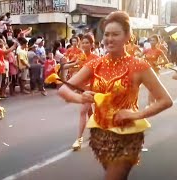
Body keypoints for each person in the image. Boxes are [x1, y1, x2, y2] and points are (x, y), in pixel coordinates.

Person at [58, 11, 172, 180]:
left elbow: (165, 100)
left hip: (127, 134)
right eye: (107, 34)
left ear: (128, 36)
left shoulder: (138, 66)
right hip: (100, 136)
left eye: (115, 34)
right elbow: (64, 89)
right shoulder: (95, 64)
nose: (109, 39)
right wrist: (80, 98)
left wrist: (136, 114)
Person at [71, 34, 99, 151]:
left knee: (83, 111)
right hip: (83, 88)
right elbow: (77, 70)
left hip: (93, 89)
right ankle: (96, 132)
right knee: (88, 112)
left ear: (92, 44)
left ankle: (79, 139)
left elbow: (99, 74)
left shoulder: (96, 58)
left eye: (87, 42)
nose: (84, 45)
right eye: (83, 42)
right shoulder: (81, 57)